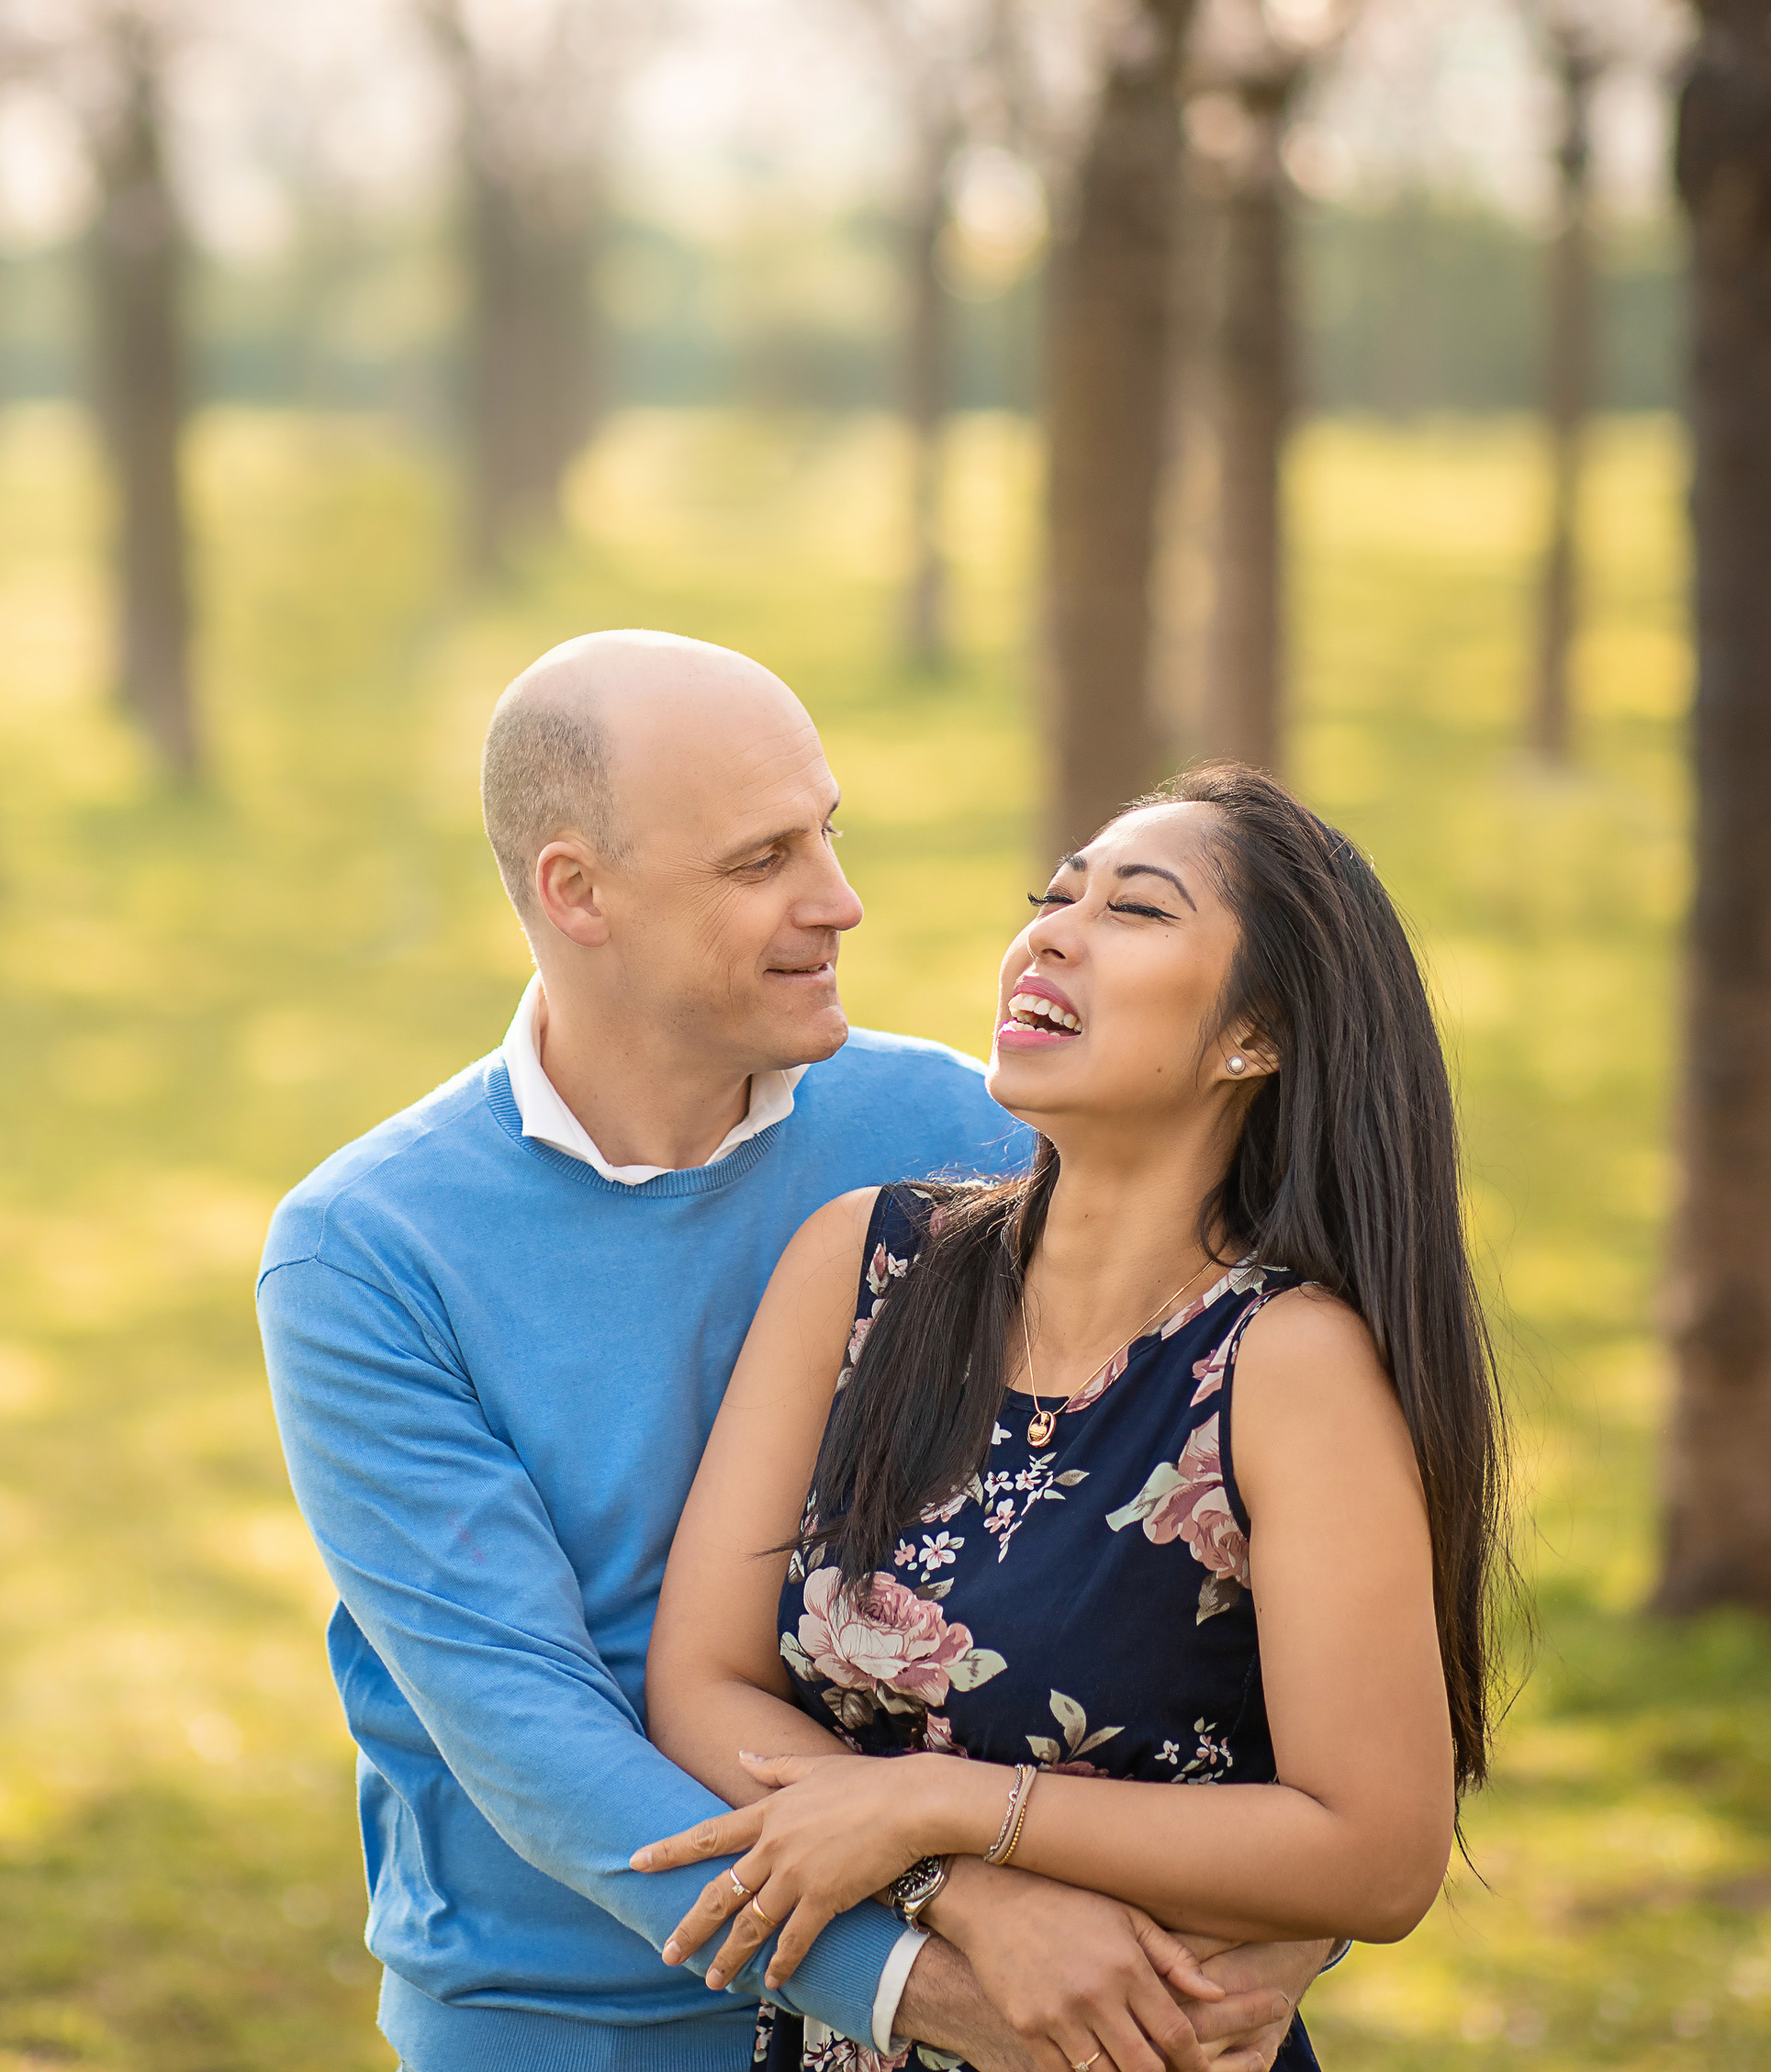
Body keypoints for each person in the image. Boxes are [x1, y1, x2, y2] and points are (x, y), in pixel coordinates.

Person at [259, 636, 1327, 2072]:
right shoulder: (368, 1252)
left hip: (1005, 1996)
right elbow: (531, 1729)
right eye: (762, 860)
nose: (840, 901)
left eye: (829, 831)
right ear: (579, 892)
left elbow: (1252, 1522)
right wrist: (950, 1963)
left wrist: (1271, 1931)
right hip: (580, 2014)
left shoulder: (971, 1142)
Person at [634, 764, 1511, 2072]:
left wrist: (938, 1803)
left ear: (1254, 1035)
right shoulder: (863, 1267)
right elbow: (700, 1682)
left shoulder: (1287, 1365)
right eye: (1054, 897)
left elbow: (1376, 1856)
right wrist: (967, 1891)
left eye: (1137, 911)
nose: (1050, 931)